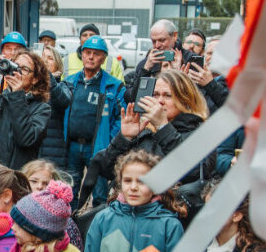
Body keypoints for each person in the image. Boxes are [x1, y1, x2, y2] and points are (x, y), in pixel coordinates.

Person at [82, 69, 212, 210]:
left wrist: (163, 127)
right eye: (155, 95)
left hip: (169, 217)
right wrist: (124, 138)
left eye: (168, 96)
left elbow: (195, 174)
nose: (159, 101)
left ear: (186, 100)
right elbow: (106, 170)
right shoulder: (144, 129)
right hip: (127, 213)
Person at [62, 35, 128, 185]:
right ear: (82, 55)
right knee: (69, 189)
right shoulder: (69, 82)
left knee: (99, 192)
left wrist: (110, 142)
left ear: (103, 58)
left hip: (99, 146)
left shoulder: (114, 86)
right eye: (87, 52)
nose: (91, 57)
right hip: (71, 146)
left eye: (96, 54)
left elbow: (121, 118)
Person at [20, 159, 82, 244]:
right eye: (33, 181)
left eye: (45, 183)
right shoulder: (15, 211)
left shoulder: (63, 219)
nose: (39, 186)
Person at [36, 45, 73, 168]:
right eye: (41, 57)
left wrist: (47, 75)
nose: (44, 60)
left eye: (50, 58)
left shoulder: (64, 85)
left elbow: (62, 101)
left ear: (58, 65)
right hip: (32, 151)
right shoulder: (29, 86)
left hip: (54, 152)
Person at [127, 20, 183, 100]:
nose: (157, 45)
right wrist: (145, 70)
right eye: (153, 41)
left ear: (174, 36)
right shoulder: (145, 63)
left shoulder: (188, 59)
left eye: (162, 40)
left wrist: (178, 73)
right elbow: (134, 98)